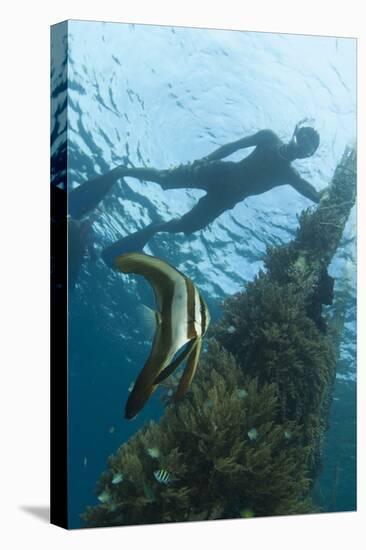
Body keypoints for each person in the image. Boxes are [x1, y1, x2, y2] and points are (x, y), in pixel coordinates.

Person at [100, 121, 322, 266]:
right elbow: (232, 147)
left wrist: (329, 199)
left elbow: (310, 191)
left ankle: (156, 227)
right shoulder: (269, 138)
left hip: (227, 199)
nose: (302, 147)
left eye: (308, 148)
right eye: (303, 139)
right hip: (218, 172)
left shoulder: (289, 174)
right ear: (296, 133)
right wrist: (207, 159)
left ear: (307, 155)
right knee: (164, 178)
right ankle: (121, 172)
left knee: (186, 226)